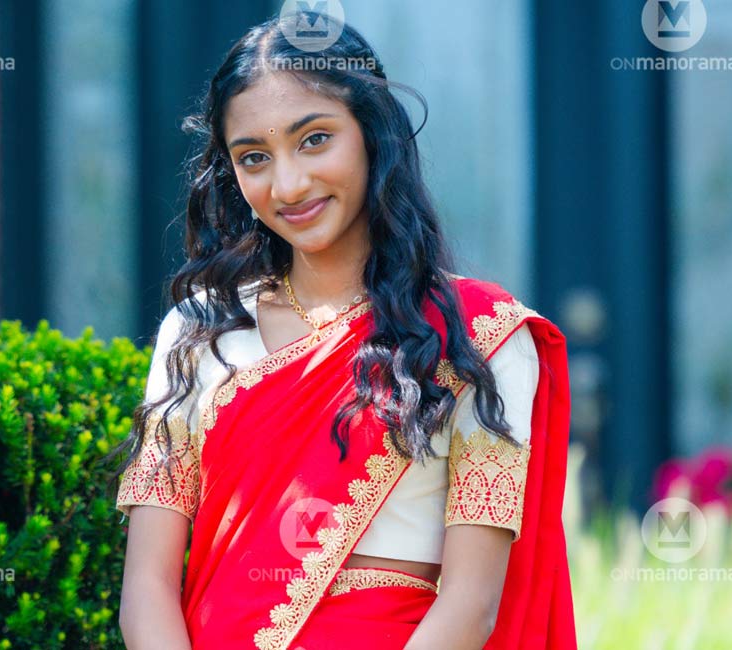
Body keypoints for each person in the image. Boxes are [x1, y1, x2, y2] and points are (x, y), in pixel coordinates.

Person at [113, 12, 576, 650]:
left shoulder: (481, 338)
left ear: (373, 132)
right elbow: (147, 589)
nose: (289, 184)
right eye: (254, 157)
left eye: (314, 140)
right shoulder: (200, 331)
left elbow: (472, 607)